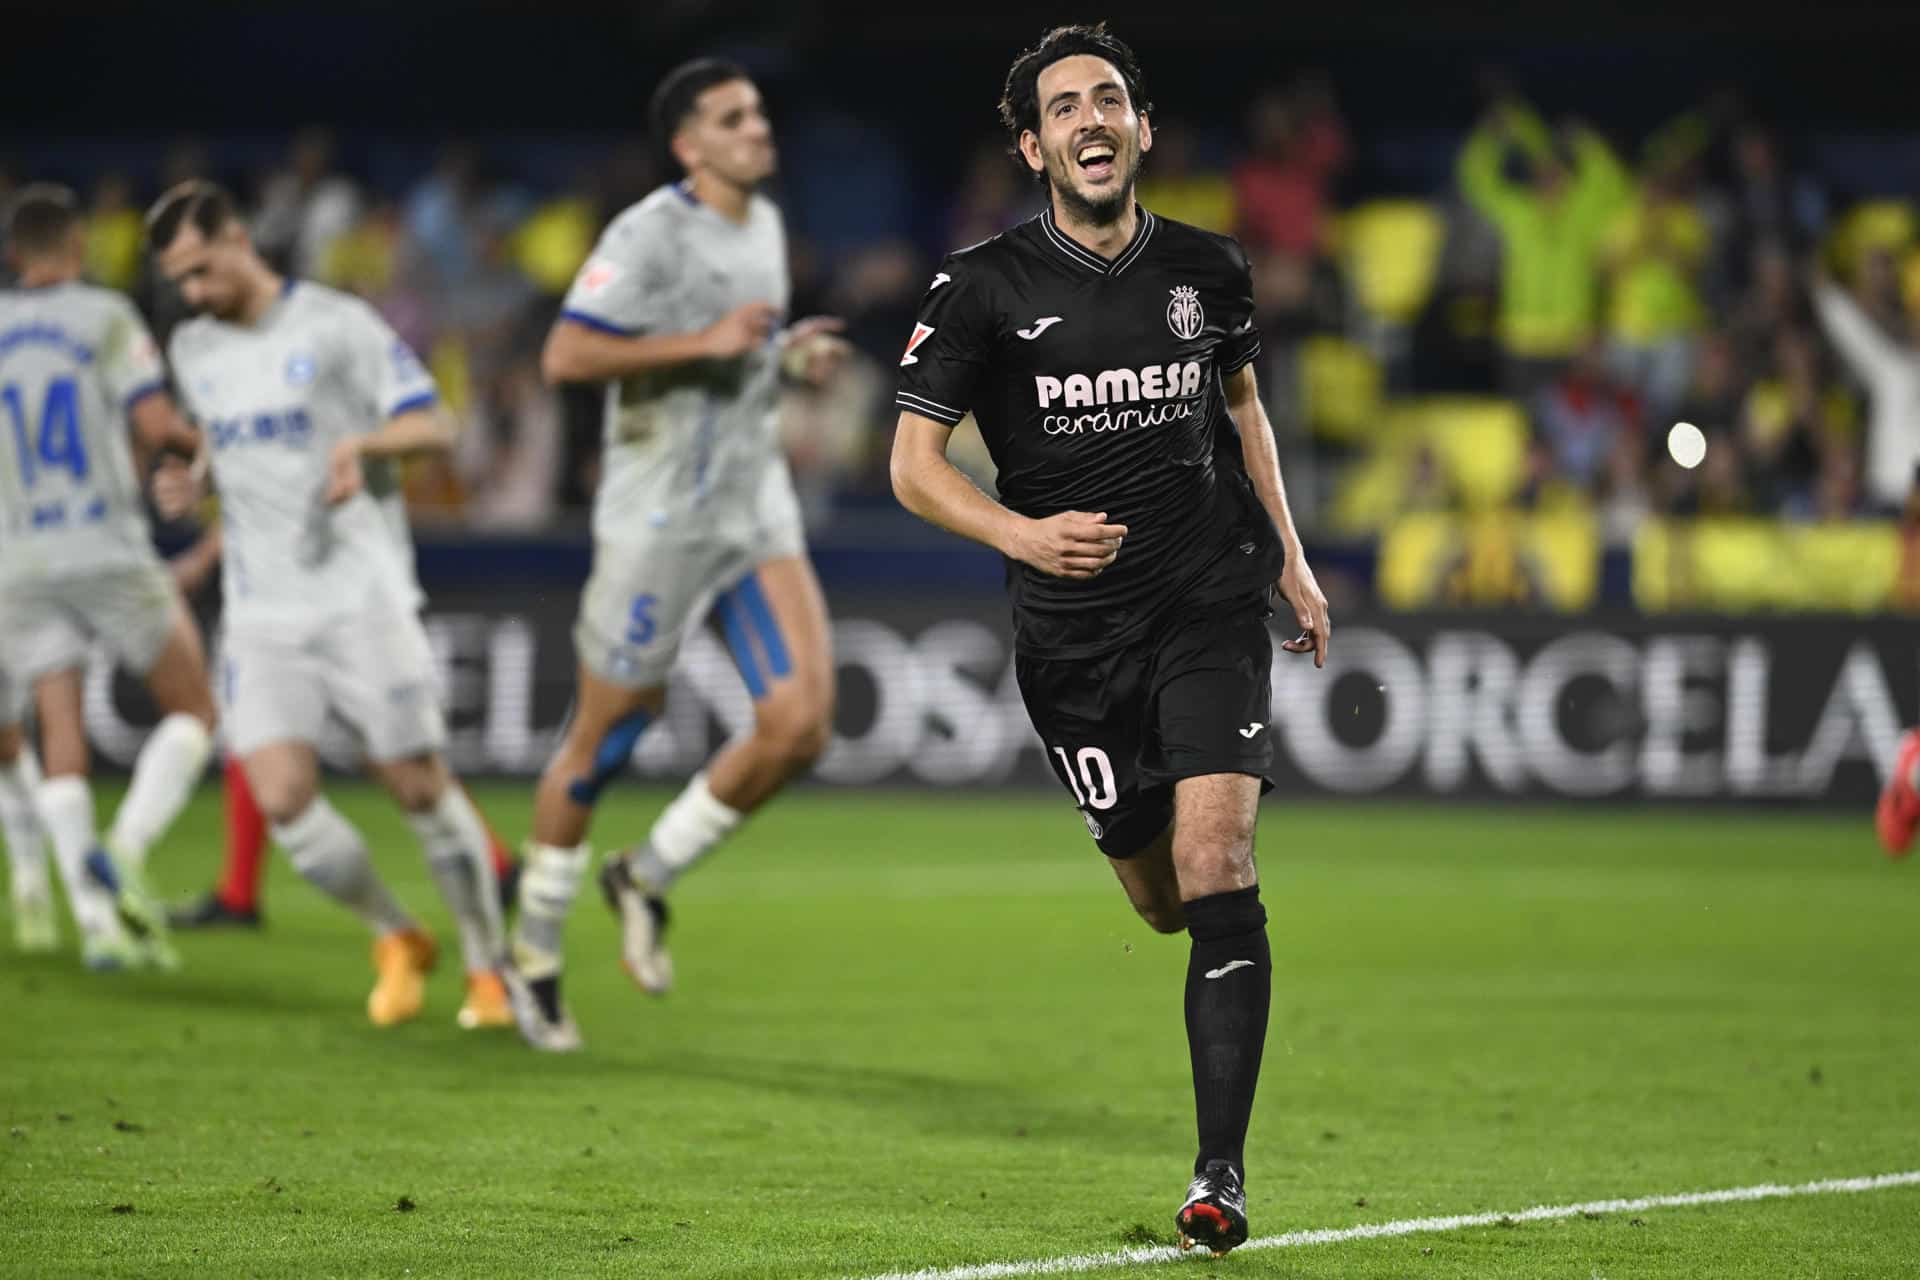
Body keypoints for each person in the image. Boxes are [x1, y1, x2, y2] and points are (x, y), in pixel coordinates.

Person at [888, 24, 1331, 1256]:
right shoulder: (979, 287)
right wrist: (1022, 537)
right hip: (1073, 643)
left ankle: (1219, 1177)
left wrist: (1289, 558)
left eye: (1109, 99)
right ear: (1033, 146)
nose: (1090, 119)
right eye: (1063, 107)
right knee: (1160, 899)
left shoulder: (1211, 270)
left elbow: (1243, 408)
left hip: (1206, 598)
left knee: (1219, 863)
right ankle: (1205, 951)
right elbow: (913, 468)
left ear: (1140, 126)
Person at [505, 57, 844, 1053]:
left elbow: (744, 346)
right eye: (733, 118)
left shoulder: (766, 222)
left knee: (802, 723)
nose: (757, 127)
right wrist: (701, 341)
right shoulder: (645, 235)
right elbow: (566, 355)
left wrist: (788, 356)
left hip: (752, 507)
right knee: (604, 741)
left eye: (759, 111)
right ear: (689, 144)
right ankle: (530, 954)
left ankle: (645, 873)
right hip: (658, 524)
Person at [147, 180, 510, 1031]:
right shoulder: (195, 347)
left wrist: (362, 444)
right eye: (180, 281)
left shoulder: (336, 324)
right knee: (280, 796)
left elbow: (435, 425)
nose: (194, 293)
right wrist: (189, 480)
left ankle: (489, 969)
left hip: (360, 595)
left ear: (237, 237)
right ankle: (396, 934)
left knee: (419, 785)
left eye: (202, 270)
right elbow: (231, 447)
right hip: (262, 612)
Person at [0, 183, 218, 971]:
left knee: (59, 736)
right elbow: (156, 426)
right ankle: (121, 852)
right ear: (80, 246)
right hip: (104, 543)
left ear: (15, 254)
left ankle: (98, 927)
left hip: (18, 558)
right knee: (195, 707)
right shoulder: (104, 317)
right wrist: (217, 447)